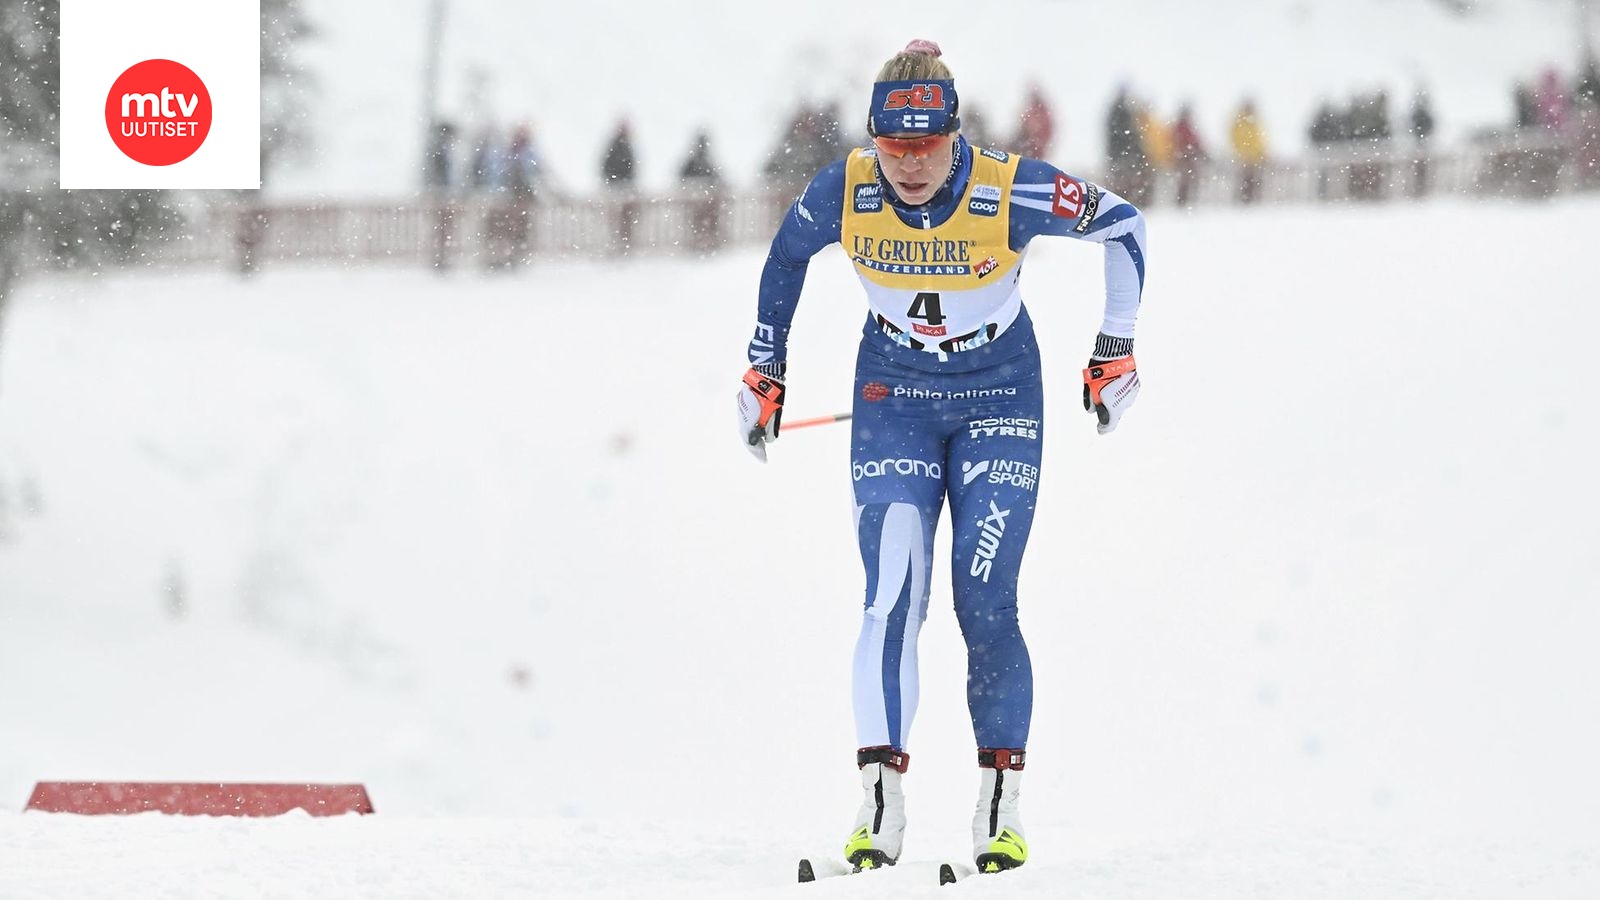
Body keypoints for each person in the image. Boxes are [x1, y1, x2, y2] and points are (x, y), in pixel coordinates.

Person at [734, 39, 1147, 875]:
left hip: (1001, 394)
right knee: (892, 590)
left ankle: (1001, 806)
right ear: (874, 139)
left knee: (984, 595)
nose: (910, 167)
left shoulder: (1009, 185)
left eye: (926, 148)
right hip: (895, 394)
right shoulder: (845, 188)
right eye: (894, 148)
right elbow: (785, 259)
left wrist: (1116, 349)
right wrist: (764, 365)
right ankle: (879, 803)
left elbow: (1124, 227)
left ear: (956, 137)